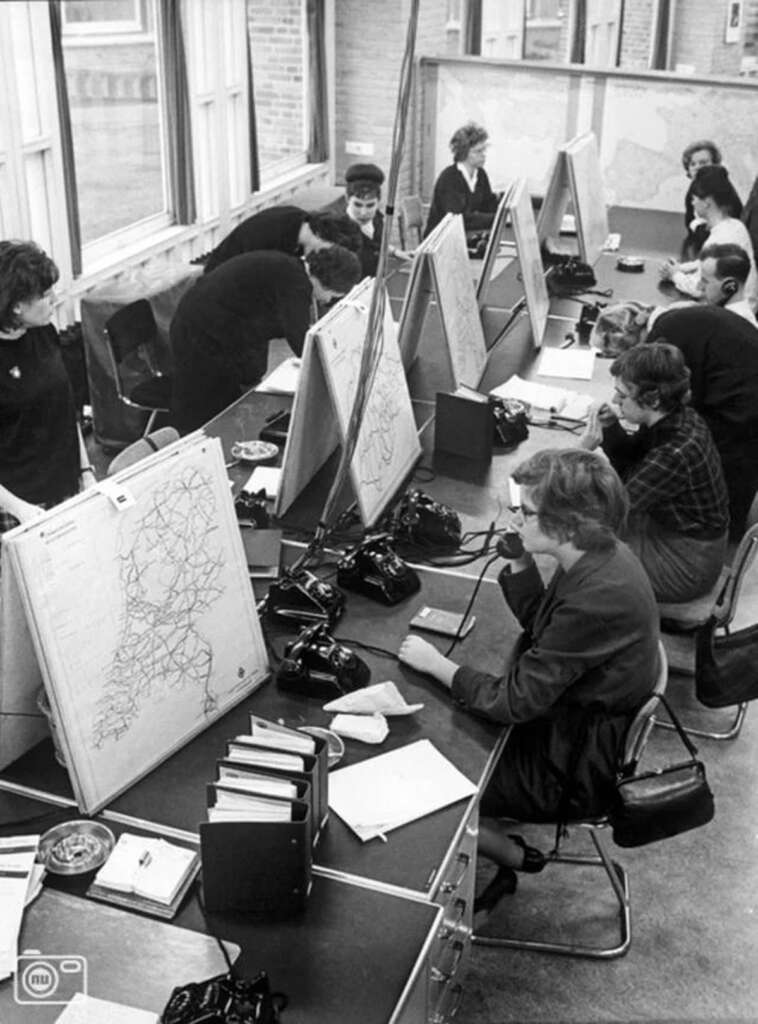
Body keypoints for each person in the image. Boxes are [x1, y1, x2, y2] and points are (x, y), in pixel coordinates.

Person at [398, 449, 659, 911]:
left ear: (571, 523)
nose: (517, 517)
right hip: (577, 726)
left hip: (571, 765)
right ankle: (504, 845)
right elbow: (545, 626)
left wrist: (438, 665)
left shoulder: (596, 598)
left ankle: (505, 852)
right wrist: (520, 562)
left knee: (423, 765)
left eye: (528, 511)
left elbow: (513, 702)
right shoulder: (599, 557)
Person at [591, 261, 758, 539]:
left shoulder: (662, 347)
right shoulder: (671, 318)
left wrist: (584, 454)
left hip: (744, 411)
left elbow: (620, 505)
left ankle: (730, 535)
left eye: (624, 389)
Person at [581, 343, 729, 602]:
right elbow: (633, 466)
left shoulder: (675, 452)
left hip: (686, 564)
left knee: (579, 551)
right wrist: (611, 427)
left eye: (622, 395)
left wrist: (581, 454)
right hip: (676, 532)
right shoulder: (676, 417)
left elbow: (608, 513)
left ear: (652, 399)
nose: (615, 400)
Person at [169, 247, 360, 434]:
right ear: (328, 283)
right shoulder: (296, 283)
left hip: (213, 326)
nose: (328, 301)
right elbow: (302, 340)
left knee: (228, 395)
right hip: (199, 331)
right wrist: (335, 369)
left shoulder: (291, 268)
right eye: (333, 297)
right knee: (206, 407)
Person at [0, 240, 96, 537]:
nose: (54, 299)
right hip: (20, 507)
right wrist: (20, 510)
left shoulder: (44, 332)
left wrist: (86, 472)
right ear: (16, 305)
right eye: (44, 294)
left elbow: (65, 410)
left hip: (68, 486)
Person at [661, 165, 755, 304]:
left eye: (694, 198)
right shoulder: (735, 226)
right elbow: (711, 265)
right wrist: (681, 268)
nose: (692, 203)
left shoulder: (720, 238)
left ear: (706, 203)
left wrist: (674, 275)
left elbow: (699, 288)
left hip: (732, 313)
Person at [201, 205, 363, 275]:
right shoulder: (274, 239)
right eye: (328, 251)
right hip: (219, 282)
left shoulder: (298, 222)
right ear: (321, 234)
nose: (325, 258)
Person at [320, 163, 410, 277]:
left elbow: (375, 244)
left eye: (370, 205)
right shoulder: (335, 228)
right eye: (357, 205)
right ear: (347, 199)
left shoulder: (377, 218)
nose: (363, 213)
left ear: (379, 202)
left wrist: (394, 252)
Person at [424, 122, 499, 238]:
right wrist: (496, 218)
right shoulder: (449, 179)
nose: (483, 155)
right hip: (440, 242)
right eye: (478, 151)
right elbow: (459, 219)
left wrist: (503, 209)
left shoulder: (481, 175)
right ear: (464, 154)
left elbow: (487, 204)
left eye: (484, 150)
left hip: (465, 238)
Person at [679, 140, 727, 259]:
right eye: (693, 164)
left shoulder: (723, 189)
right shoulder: (693, 190)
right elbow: (690, 221)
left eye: (703, 163)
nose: (697, 168)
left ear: (715, 165)